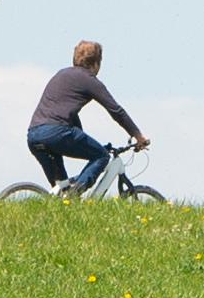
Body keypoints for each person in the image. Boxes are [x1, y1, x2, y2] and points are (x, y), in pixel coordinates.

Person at [25, 39, 148, 195]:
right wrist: (138, 136)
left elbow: (68, 113)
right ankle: (76, 195)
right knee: (101, 156)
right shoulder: (89, 80)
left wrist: (85, 140)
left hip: (34, 135)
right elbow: (116, 111)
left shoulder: (61, 74)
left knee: (62, 192)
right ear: (96, 64)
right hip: (57, 132)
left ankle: (68, 201)